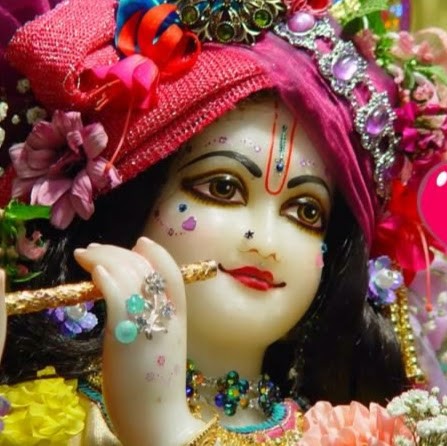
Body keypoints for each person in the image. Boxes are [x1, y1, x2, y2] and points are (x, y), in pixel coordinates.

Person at [0, 0, 445, 444]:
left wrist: (167, 430)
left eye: (306, 212)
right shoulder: (39, 415)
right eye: (223, 188)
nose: (265, 242)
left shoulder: (354, 434)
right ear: (135, 197)